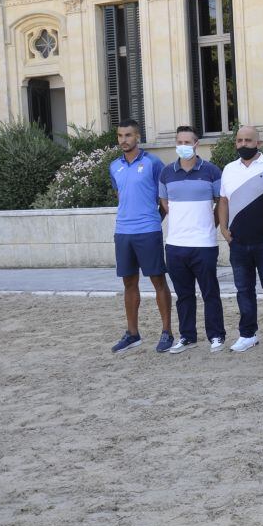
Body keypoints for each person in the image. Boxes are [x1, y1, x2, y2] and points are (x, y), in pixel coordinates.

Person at [158, 126, 226, 353]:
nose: (183, 146)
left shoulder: (212, 171)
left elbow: (220, 203)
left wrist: (209, 225)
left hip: (204, 244)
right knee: (183, 295)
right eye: (180, 141)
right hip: (176, 245)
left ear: (197, 144)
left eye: (188, 142)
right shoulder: (166, 173)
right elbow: (165, 205)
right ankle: (187, 336)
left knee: (210, 293)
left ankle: (216, 335)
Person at [108, 119, 174, 353]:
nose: (123, 140)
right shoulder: (114, 166)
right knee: (129, 283)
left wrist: (154, 221)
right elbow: (121, 196)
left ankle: (167, 332)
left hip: (148, 231)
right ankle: (133, 333)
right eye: (120, 136)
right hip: (123, 233)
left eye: (128, 135)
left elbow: (164, 200)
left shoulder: (153, 163)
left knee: (158, 281)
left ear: (137, 137)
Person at [218, 126, 263, 352]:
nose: (243, 144)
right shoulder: (228, 169)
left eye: (248, 140)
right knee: (243, 290)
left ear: (258, 142)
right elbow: (224, 201)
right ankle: (248, 334)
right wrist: (224, 230)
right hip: (238, 242)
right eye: (239, 140)